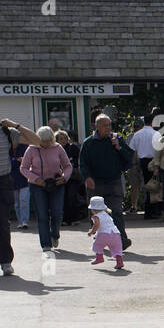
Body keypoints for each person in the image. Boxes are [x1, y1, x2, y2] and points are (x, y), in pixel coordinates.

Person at [57, 114, 133, 251]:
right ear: (96, 126)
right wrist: (87, 177)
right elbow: (83, 163)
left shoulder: (116, 139)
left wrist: (119, 148)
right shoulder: (89, 143)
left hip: (113, 180)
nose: (108, 128)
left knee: (116, 211)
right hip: (95, 183)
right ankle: (99, 236)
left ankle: (121, 238)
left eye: (109, 125)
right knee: (97, 213)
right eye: (105, 125)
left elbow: (130, 157)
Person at [18, 126, 73, 253]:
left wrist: (64, 177)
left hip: (56, 184)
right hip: (38, 185)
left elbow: (67, 166)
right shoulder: (32, 149)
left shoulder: (58, 147)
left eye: (48, 140)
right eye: (43, 141)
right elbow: (23, 168)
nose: (46, 143)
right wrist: (35, 178)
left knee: (57, 213)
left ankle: (55, 234)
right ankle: (46, 244)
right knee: (42, 215)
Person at [129, 116, 159, 218]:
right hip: (153, 161)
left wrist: (134, 164)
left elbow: (133, 151)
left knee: (146, 186)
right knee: (154, 186)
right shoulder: (156, 134)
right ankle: (153, 210)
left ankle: (148, 211)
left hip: (141, 161)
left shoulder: (137, 134)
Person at [87, 195, 125, 270]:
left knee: (97, 245)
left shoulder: (96, 216)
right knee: (116, 248)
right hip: (115, 234)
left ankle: (99, 258)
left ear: (93, 209)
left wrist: (91, 232)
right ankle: (119, 262)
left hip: (104, 234)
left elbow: (96, 224)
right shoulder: (107, 215)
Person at [0, 127, 16, 275]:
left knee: (3, 224)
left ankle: (5, 262)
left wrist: (15, 125)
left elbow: (38, 140)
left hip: (3, 181)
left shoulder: (6, 131)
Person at [8, 130, 28, 229]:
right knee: (16, 203)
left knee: (24, 200)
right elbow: (8, 163)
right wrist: (17, 160)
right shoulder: (6, 149)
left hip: (24, 178)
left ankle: (25, 221)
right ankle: (20, 221)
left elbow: (28, 160)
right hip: (13, 179)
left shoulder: (24, 147)